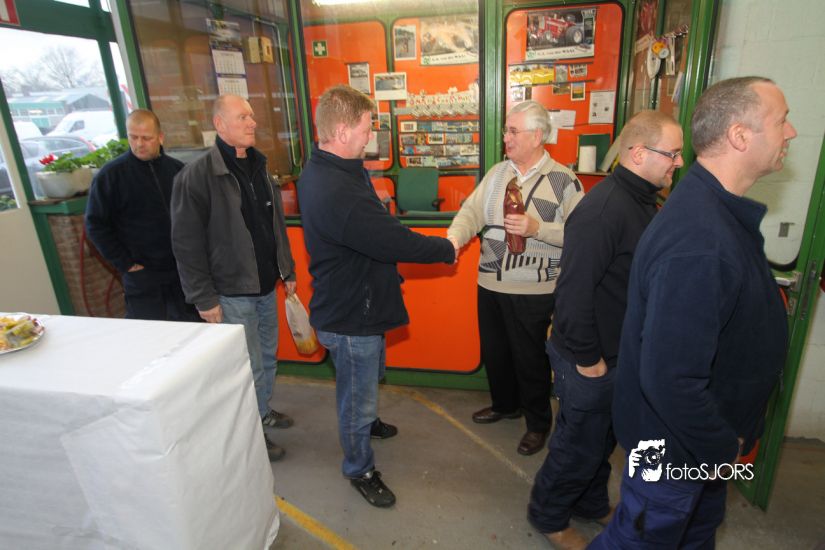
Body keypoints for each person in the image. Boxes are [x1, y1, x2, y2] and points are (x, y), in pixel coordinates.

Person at [591, 76, 795, 548]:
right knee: (641, 539)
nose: (791, 132)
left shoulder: (715, 212)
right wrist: (722, 445)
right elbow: (670, 378)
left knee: (692, 535)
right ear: (740, 135)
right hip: (675, 451)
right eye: (781, 121)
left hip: (696, 446)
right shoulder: (699, 239)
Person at [528, 111, 684, 549]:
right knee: (577, 446)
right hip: (591, 357)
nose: (678, 162)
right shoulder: (603, 210)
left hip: (619, 354)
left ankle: (590, 503)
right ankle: (549, 515)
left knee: (601, 443)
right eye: (672, 154)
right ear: (638, 153)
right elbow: (572, 292)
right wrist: (589, 360)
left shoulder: (643, 202)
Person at [297, 85, 455, 508]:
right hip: (352, 315)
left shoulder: (332, 167)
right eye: (367, 129)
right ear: (343, 131)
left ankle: (367, 423)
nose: (371, 137)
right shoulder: (336, 189)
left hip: (360, 300)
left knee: (366, 379)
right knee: (356, 397)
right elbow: (392, 240)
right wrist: (447, 247)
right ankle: (359, 468)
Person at [447, 100, 583, 456]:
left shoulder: (564, 180)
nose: (505, 137)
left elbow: (581, 236)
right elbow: (471, 212)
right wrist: (454, 238)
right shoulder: (497, 174)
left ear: (537, 136)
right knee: (496, 353)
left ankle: (537, 424)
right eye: (506, 131)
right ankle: (505, 405)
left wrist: (538, 228)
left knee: (530, 359)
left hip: (534, 288)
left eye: (512, 131)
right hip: (489, 282)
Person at [171, 94, 297, 462]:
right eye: (243, 117)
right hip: (231, 292)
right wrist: (203, 297)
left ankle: (263, 411)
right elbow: (186, 244)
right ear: (220, 124)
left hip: (265, 285)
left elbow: (275, 225)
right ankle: (252, 431)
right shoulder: (196, 177)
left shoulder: (259, 166)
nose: (252, 122)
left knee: (268, 358)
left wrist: (287, 269)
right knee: (248, 366)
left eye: (252, 116)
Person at [85, 109, 198, 322]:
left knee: (193, 329)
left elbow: (194, 218)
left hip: (182, 272)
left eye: (146, 138)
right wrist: (126, 264)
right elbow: (95, 225)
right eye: (133, 137)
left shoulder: (178, 171)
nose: (139, 144)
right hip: (142, 275)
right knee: (150, 332)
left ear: (160, 137)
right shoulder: (111, 176)